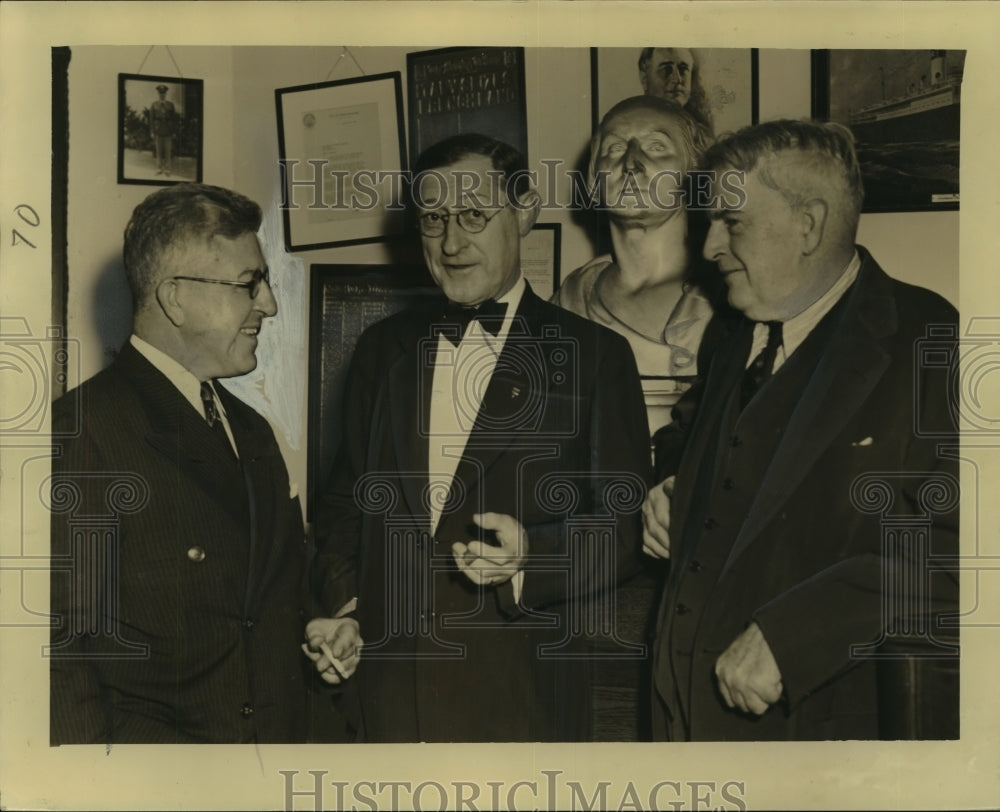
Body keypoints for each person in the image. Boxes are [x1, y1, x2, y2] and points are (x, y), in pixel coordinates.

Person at [307, 133, 652, 742]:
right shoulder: (381, 350)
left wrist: (530, 557)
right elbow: (343, 505)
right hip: (385, 699)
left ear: (525, 212)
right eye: (433, 219)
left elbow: (623, 530)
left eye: (473, 215)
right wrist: (347, 607)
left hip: (519, 703)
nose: (451, 242)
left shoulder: (596, 357)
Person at [641, 119, 960, 741]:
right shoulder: (731, 331)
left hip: (816, 738)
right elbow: (686, 434)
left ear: (809, 224)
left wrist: (797, 634)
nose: (709, 248)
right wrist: (671, 483)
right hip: (680, 729)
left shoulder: (932, 341)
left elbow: (968, 551)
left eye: (731, 222)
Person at [49, 183, 309, 744]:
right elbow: (57, 658)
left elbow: (269, 597)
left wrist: (321, 624)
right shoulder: (80, 434)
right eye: (248, 284)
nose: (269, 304)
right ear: (174, 298)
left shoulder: (251, 429)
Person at [553, 95, 719, 437]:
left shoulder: (726, 297)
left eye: (657, 147)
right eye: (614, 149)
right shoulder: (572, 298)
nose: (630, 163)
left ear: (695, 173)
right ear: (593, 178)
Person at [638, 47, 714, 134]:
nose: (677, 79)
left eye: (683, 69)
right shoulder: (633, 126)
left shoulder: (701, 134)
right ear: (644, 78)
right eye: (667, 69)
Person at [149, 84, 177, 175]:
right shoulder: (154, 105)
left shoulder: (170, 105)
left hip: (168, 131)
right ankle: (159, 168)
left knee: (168, 151)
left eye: (163, 94)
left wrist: (174, 132)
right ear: (158, 94)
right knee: (158, 151)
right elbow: (151, 119)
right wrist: (152, 131)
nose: (162, 95)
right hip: (158, 130)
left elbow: (174, 119)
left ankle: (168, 169)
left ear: (166, 94)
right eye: (160, 94)